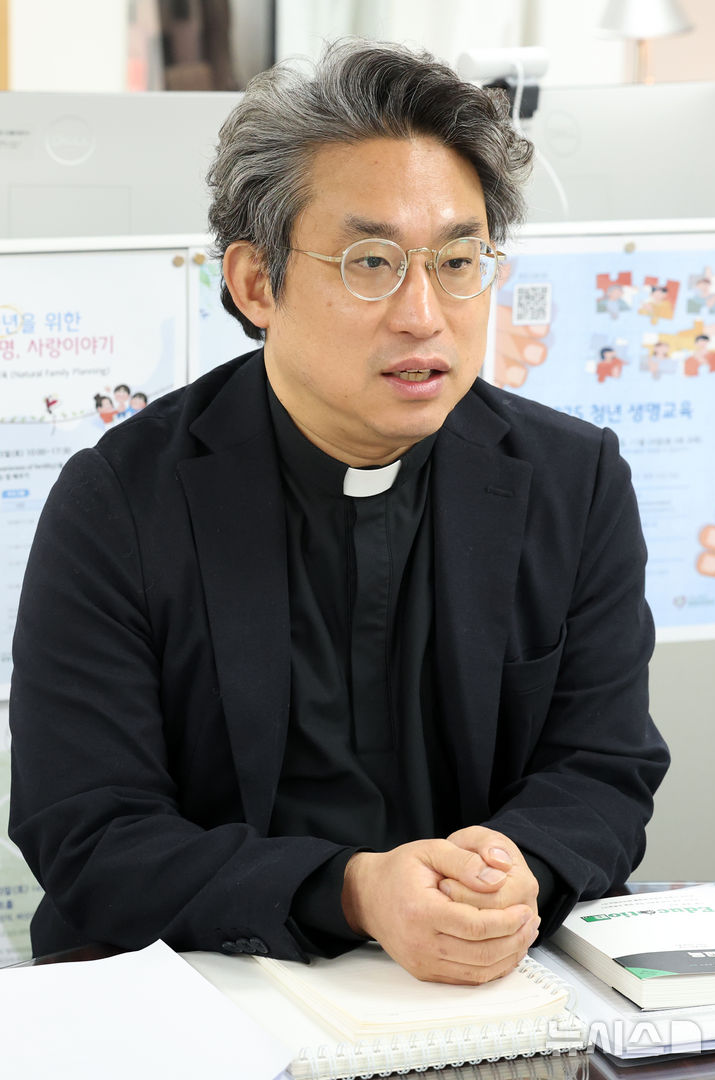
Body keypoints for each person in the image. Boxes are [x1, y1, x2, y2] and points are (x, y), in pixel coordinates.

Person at [9, 41, 669, 986]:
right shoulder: (119, 501)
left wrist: (512, 871)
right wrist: (353, 892)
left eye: (458, 260)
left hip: (487, 988)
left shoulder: (573, 480)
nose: (423, 313)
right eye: (371, 262)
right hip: (209, 988)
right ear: (256, 284)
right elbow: (88, 828)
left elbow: (603, 766)